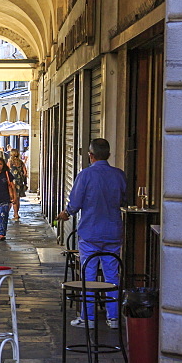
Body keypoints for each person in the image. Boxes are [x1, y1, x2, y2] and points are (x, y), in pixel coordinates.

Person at [57, 138, 127, 329]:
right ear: (109, 155)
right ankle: (113, 318)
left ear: (91, 155)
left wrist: (65, 213)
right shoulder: (119, 175)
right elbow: (123, 200)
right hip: (113, 232)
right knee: (112, 275)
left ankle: (88, 317)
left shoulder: (85, 175)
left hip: (90, 233)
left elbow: (75, 203)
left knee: (88, 275)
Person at [7, 152, 28, 220]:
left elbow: (7, 172)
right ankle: (16, 213)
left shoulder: (10, 162)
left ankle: (7, 213)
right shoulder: (21, 162)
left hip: (11, 182)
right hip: (19, 182)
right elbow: (25, 173)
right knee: (17, 199)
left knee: (11, 198)